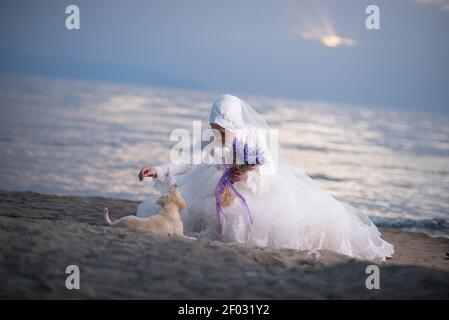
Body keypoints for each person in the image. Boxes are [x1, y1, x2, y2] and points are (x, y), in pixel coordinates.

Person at [137, 94, 394, 261]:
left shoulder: (253, 135)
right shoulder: (211, 135)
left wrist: (247, 170)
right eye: (215, 127)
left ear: (234, 123)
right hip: (217, 182)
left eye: (222, 128)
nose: (218, 131)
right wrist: (160, 170)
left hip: (254, 184)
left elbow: (268, 165)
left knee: (258, 217)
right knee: (194, 209)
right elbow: (190, 159)